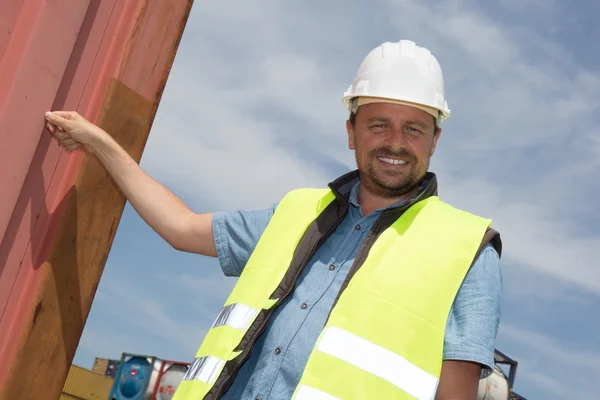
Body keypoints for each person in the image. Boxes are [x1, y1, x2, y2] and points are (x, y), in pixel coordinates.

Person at [45, 40, 502, 400]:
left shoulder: (467, 250)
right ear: (352, 132)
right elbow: (181, 228)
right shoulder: (298, 214)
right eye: (379, 124)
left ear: (435, 140)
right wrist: (101, 144)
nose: (395, 141)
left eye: (414, 128)